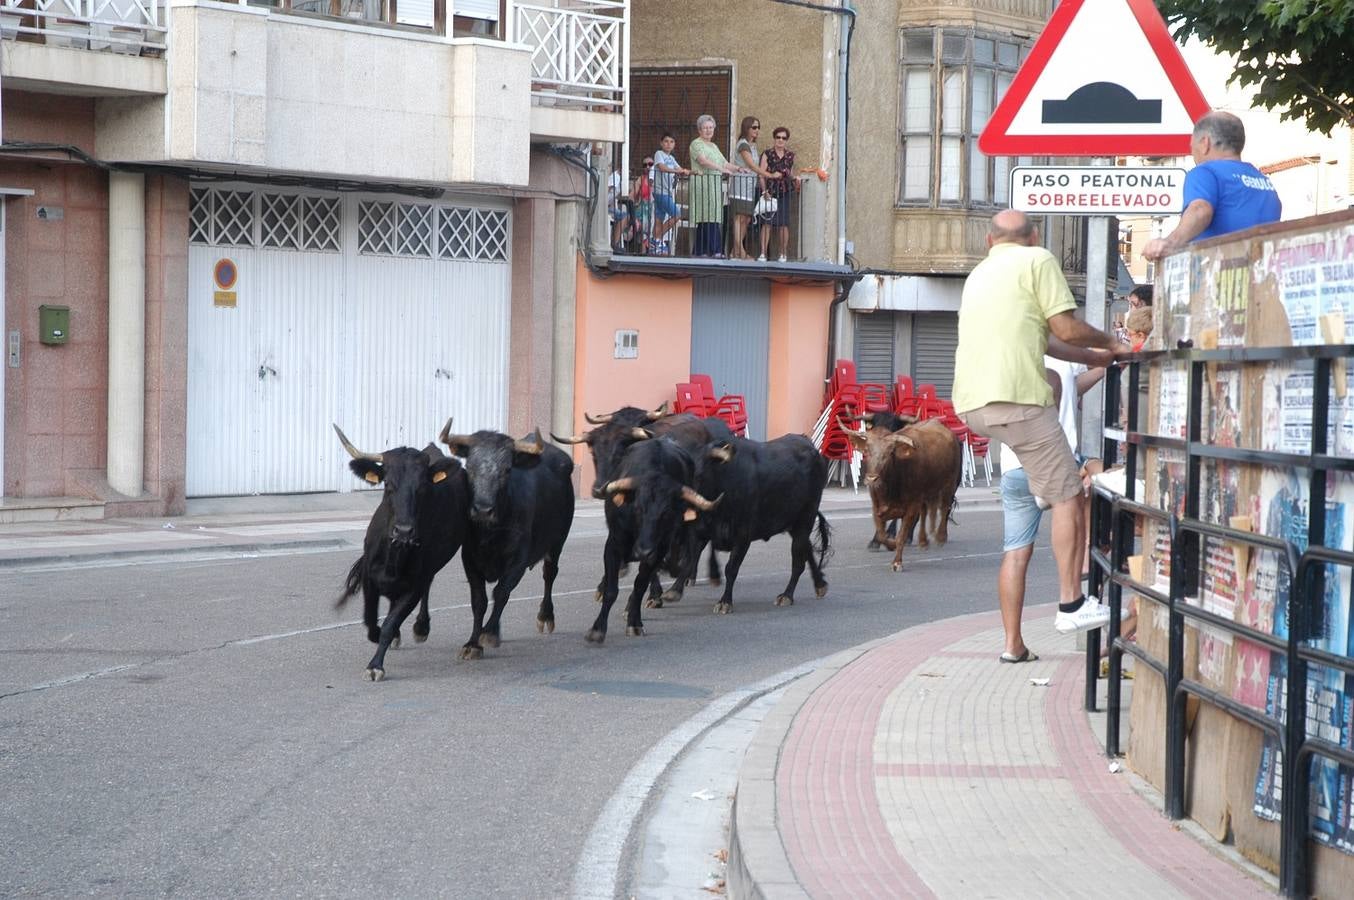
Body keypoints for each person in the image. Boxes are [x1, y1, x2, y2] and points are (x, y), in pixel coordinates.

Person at [953, 209, 1121, 636]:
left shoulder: (980, 275)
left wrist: (1091, 359)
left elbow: (1043, 338)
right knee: (1069, 495)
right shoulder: (1038, 259)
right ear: (1033, 237)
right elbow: (1065, 326)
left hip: (974, 405)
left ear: (989, 242)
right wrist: (1112, 343)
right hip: (1020, 401)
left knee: (1025, 532)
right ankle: (1071, 604)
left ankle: (1017, 638)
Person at [998, 346, 1106, 662]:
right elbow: (1062, 389)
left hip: (1013, 466)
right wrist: (1105, 359)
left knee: (1015, 553)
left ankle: (1012, 645)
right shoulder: (1061, 346)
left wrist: (1099, 372)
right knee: (1083, 494)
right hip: (1053, 459)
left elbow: (1072, 386)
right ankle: (1072, 595)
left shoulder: (1014, 353)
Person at [1142, 111, 1281, 260]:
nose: (1193, 153)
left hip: (1219, 272)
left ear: (1205, 143)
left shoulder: (1205, 172)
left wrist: (1168, 243)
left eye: (1192, 147)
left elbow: (1200, 210)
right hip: (1262, 273)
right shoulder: (1264, 182)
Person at [689, 114, 747, 258]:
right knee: (708, 216)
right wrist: (720, 170)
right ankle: (716, 250)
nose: (708, 130)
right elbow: (702, 161)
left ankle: (700, 251)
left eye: (711, 127)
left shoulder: (713, 146)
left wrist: (738, 169)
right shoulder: (696, 144)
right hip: (702, 185)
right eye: (705, 128)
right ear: (699, 130)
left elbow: (724, 163)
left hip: (713, 185)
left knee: (710, 217)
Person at [731, 116, 782, 260]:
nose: (757, 130)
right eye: (754, 127)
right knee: (739, 218)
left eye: (758, 127)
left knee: (746, 219)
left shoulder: (752, 145)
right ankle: (740, 251)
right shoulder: (743, 145)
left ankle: (734, 251)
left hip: (749, 186)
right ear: (746, 128)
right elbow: (752, 166)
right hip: (740, 186)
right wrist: (770, 175)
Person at [760, 126, 797, 262]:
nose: (781, 140)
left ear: (786, 140)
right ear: (774, 138)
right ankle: (763, 253)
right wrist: (764, 191)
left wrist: (796, 178)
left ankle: (783, 254)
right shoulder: (767, 154)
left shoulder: (790, 156)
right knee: (767, 223)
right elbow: (761, 174)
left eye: (784, 138)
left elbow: (791, 173)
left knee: (783, 224)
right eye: (778, 137)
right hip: (770, 192)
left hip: (785, 192)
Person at [651, 132, 688, 254]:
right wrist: (676, 171)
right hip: (660, 191)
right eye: (666, 141)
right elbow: (661, 167)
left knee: (659, 219)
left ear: (674, 145)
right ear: (661, 143)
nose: (668, 144)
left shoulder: (671, 158)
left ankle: (655, 245)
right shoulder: (659, 154)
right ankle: (656, 239)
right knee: (677, 214)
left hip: (666, 192)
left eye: (671, 142)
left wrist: (691, 172)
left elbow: (680, 169)